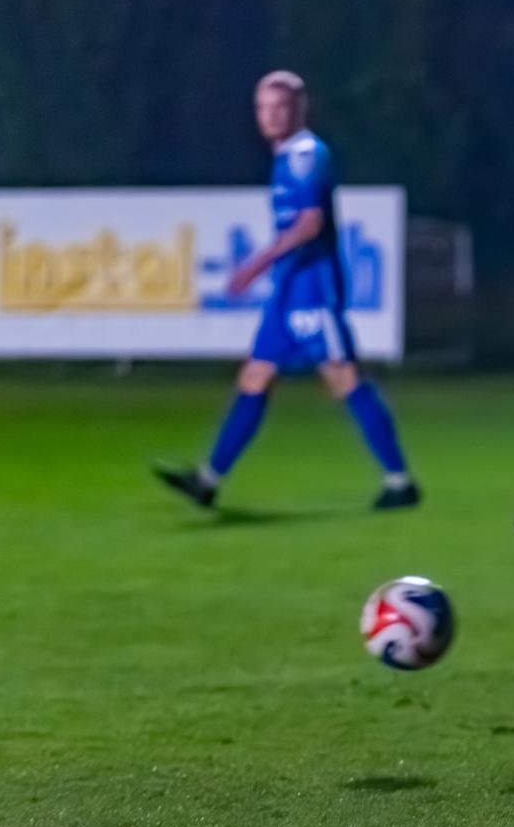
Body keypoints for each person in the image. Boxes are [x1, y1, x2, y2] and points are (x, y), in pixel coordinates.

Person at [156, 70, 418, 510]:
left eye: (280, 107)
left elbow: (310, 223)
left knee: (344, 377)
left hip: (314, 289)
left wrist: (255, 265)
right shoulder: (285, 157)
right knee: (255, 376)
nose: (271, 116)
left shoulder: (305, 156)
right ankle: (207, 479)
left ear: (300, 109)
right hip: (288, 290)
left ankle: (400, 482)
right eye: (263, 107)